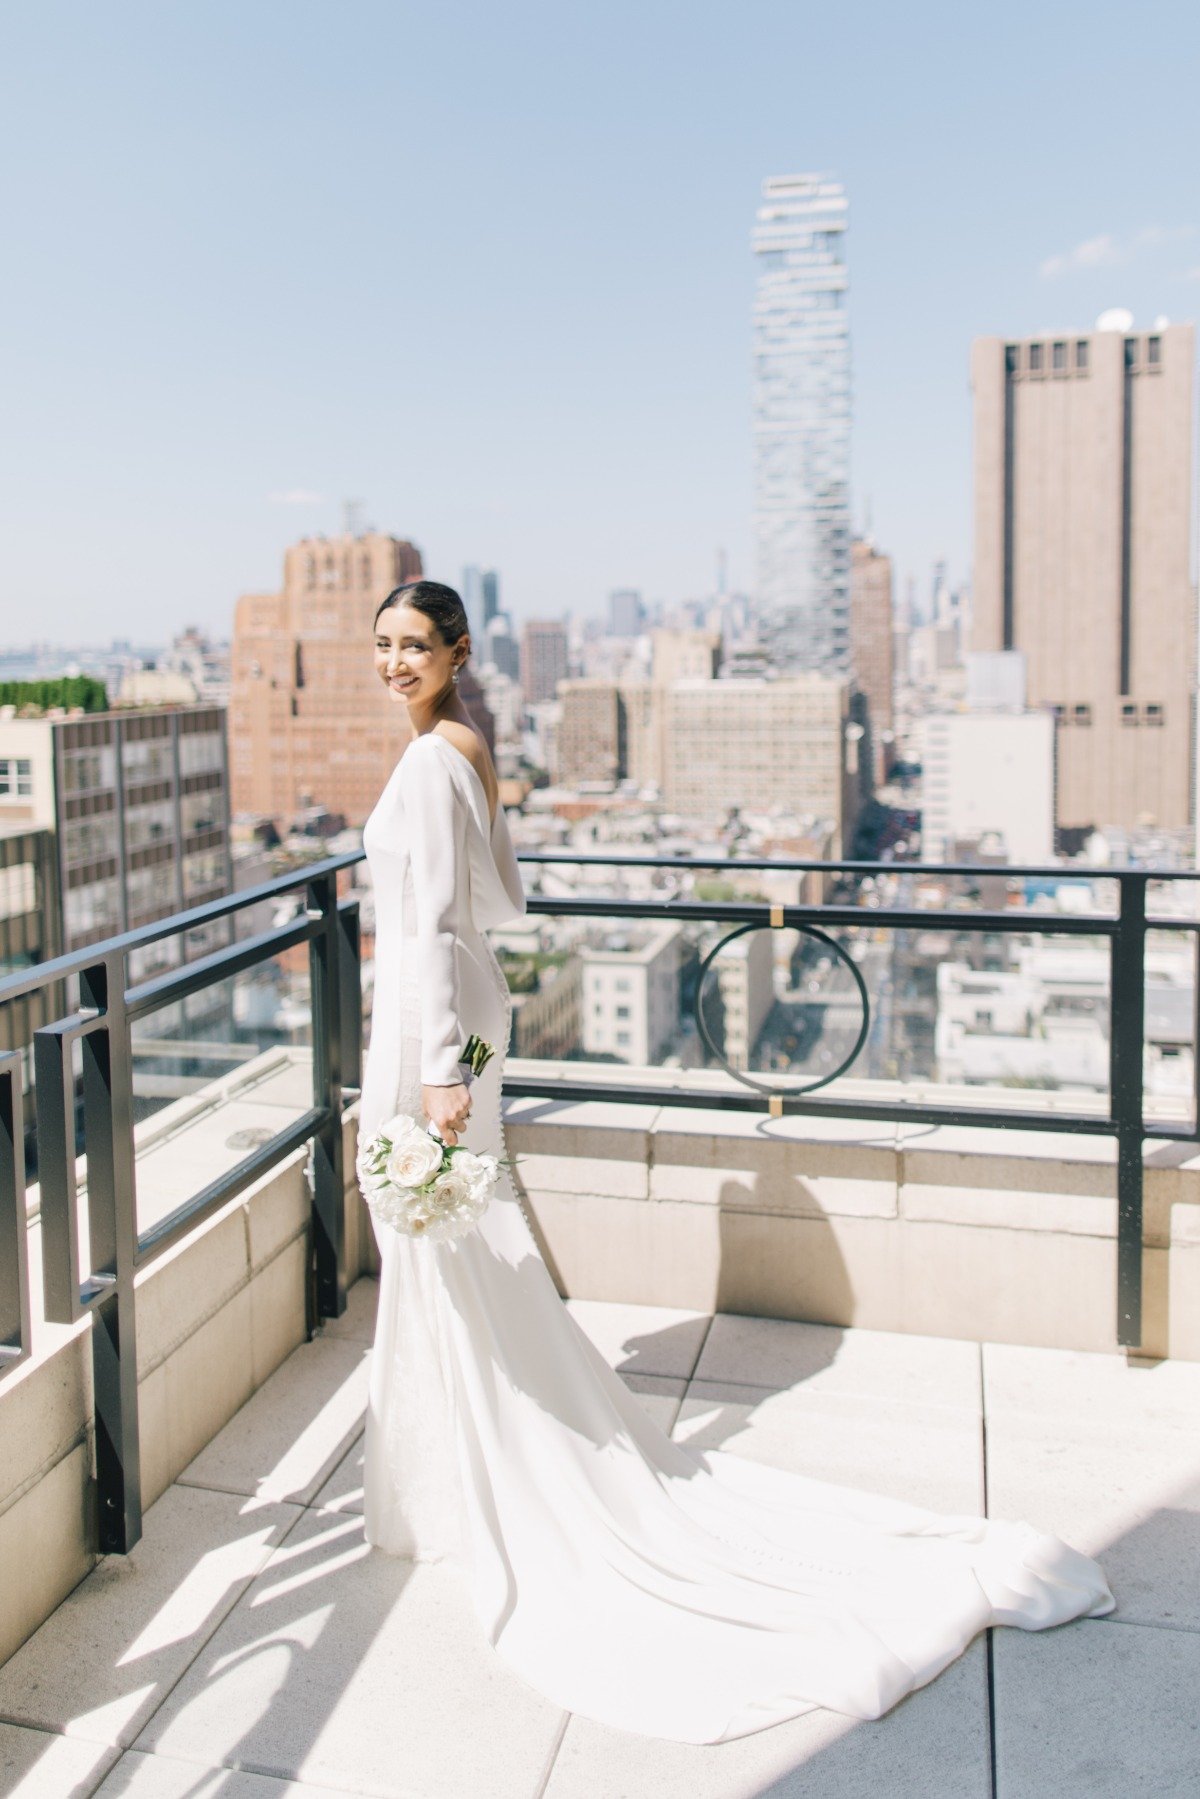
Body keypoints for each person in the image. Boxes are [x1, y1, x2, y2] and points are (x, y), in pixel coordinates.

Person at [358, 579, 1113, 1745]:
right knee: (467, 1252)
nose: (394, 661)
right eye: (383, 645)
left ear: (458, 648)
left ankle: (475, 1477)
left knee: (449, 1251)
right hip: (466, 1026)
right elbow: (502, 899)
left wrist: (438, 1071)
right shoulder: (471, 743)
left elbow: (432, 927)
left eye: (415, 644)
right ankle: (475, 1463)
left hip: (430, 1039)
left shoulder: (425, 762)